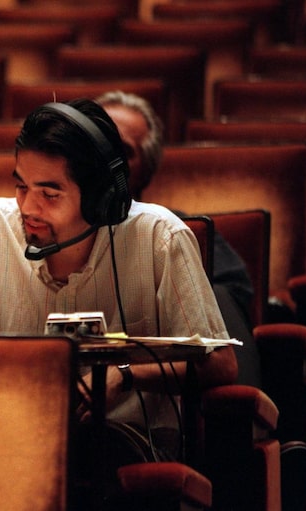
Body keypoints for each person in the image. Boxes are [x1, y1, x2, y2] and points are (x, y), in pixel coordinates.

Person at [0, 98, 237, 464]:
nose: (28, 208)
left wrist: (127, 374)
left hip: (122, 448)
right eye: (21, 186)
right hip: (2, 442)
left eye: (50, 193)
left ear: (101, 197)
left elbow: (219, 363)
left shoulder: (160, 238)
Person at [96, 90, 259, 387]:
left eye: (123, 150)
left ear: (146, 170)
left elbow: (228, 310)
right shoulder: (44, 229)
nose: (108, 159)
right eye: (98, 144)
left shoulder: (177, 232)